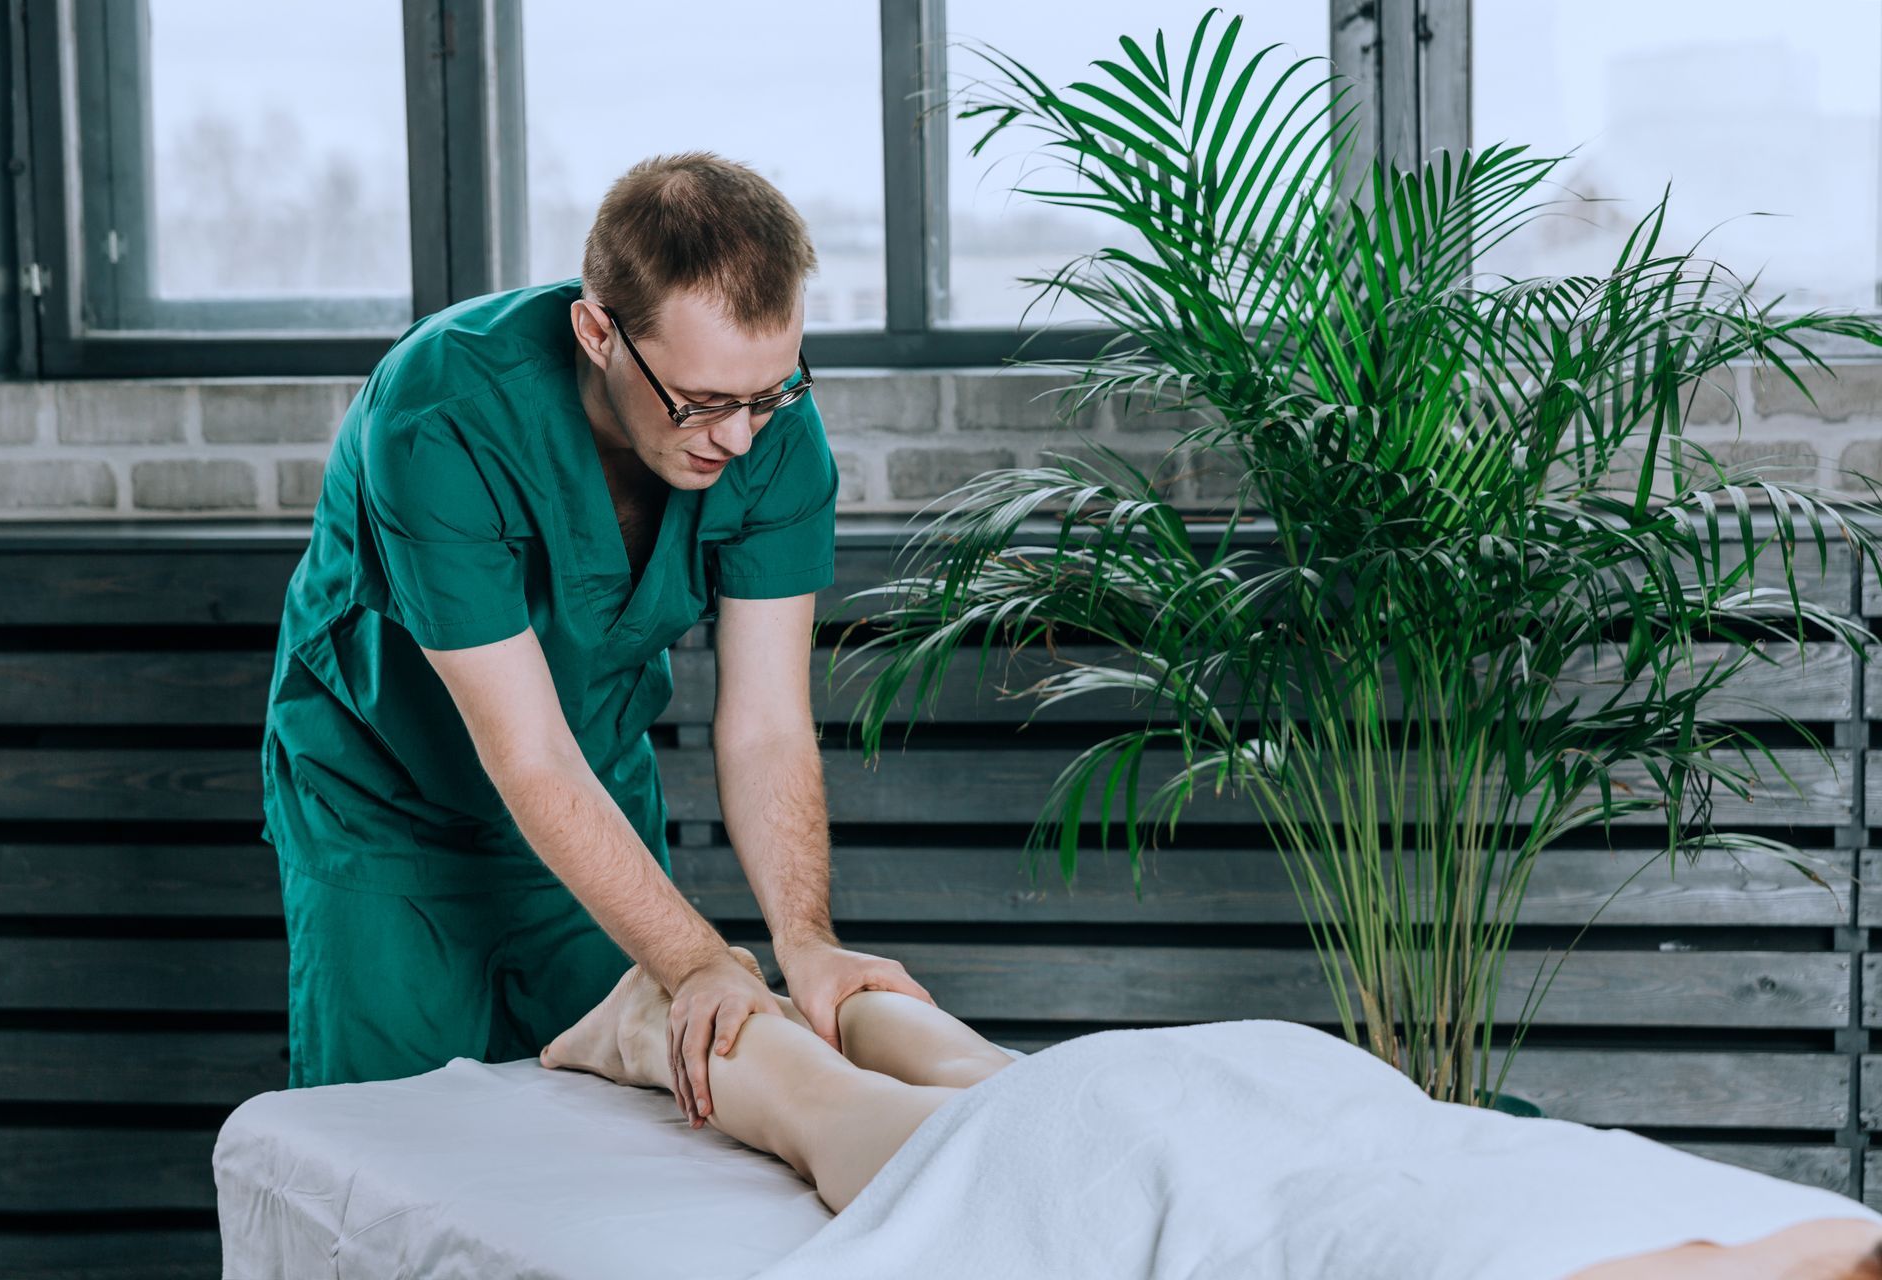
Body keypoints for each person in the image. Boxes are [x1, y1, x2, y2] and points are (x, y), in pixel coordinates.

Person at [261, 151, 932, 1127]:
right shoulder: (438, 414)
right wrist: (700, 956)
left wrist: (806, 939)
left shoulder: (771, 423)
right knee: (396, 1137)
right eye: (702, 402)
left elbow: (766, 724)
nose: (741, 438)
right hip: (384, 802)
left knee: (613, 1123)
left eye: (770, 393)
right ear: (597, 330)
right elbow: (523, 751)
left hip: (595, 783)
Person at [542, 946, 1882, 1280]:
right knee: (854, 1134)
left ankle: (882, 1011)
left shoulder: (1815, 1229)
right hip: (1175, 1156)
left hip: (1300, 1093)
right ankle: (674, 1025)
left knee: (1023, 1098)